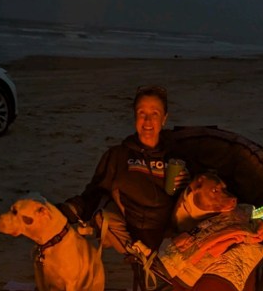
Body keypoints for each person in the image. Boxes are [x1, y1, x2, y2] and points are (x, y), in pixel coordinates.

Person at [59, 85, 187, 256]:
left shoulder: (177, 155)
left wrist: (189, 183)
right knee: (103, 217)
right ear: (135, 116)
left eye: (154, 114)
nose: (147, 120)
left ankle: (152, 257)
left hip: (170, 232)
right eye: (142, 113)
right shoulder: (119, 155)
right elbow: (95, 193)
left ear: (164, 118)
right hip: (131, 234)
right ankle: (140, 255)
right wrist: (69, 211)